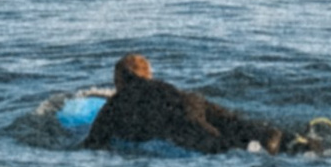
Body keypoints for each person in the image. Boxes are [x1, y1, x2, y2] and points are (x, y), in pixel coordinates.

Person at [83, 51, 298, 154]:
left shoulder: (117, 102)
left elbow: (93, 142)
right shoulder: (160, 86)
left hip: (175, 116)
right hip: (191, 100)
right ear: (148, 74)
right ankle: (289, 139)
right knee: (236, 124)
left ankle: (257, 147)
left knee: (218, 145)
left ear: (118, 80)